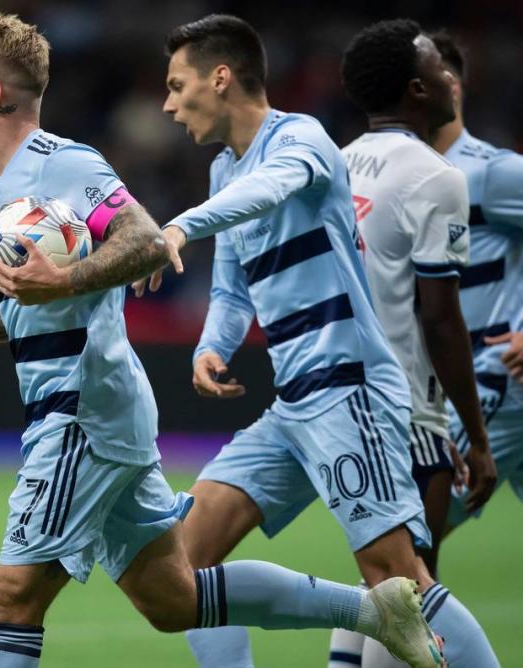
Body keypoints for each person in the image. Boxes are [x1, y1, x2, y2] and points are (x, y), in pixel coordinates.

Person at [0, 12, 444, 668]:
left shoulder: (61, 165)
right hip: (93, 412)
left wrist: (68, 280)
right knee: (171, 599)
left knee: (9, 600)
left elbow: (142, 238)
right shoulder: (1, 196)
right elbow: (12, 312)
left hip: (82, 412)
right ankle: (373, 611)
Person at [132, 14, 492, 668]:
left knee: (400, 578)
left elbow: (270, 189)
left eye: (176, 84)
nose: (167, 103)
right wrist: (212, 344)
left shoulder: (301, 138)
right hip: (294, 403)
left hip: (350, 389)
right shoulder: (223, 172)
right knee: (184, 561)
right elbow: (232, 288)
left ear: (220, 78)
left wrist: (180, 226)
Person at [326, 20, 500, 667]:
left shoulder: (335, 164)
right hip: (402, 408)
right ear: (418, 88)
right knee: (411, 591)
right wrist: (475, 437)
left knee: (384, 583)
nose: (451, 75)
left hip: (342, 407)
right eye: (437, 65)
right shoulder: (437, 176)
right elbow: (440, 318)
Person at [429, 30, 523, 534]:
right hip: (455, 388)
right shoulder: (401, 177)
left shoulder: (493, 173)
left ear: (447, 86)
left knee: (403, 548)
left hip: (496, 382)